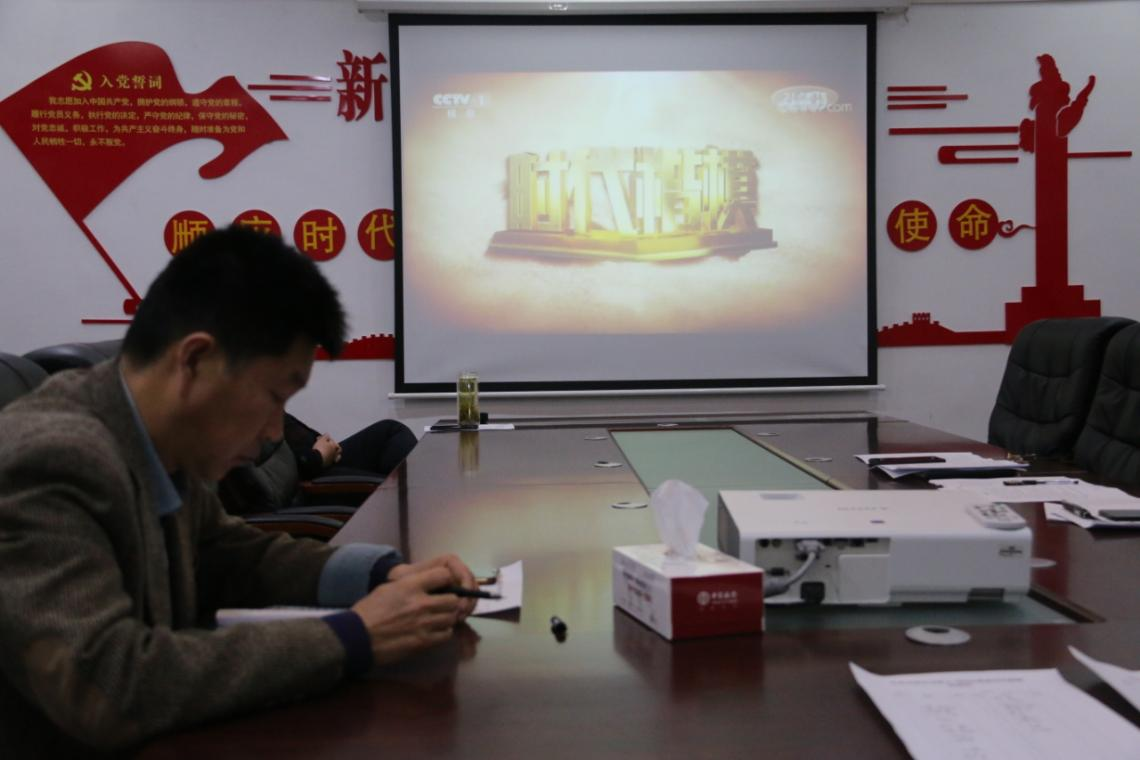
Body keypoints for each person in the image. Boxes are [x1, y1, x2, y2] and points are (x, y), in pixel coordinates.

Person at [0, 226, 477, 755]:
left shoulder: (154, 438)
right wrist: (354, 636)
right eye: (274, 397)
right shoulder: (48, 458)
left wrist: (381, 574)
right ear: (195, 360)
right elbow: (109, 686)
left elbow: (226, 554)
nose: (275, 433)